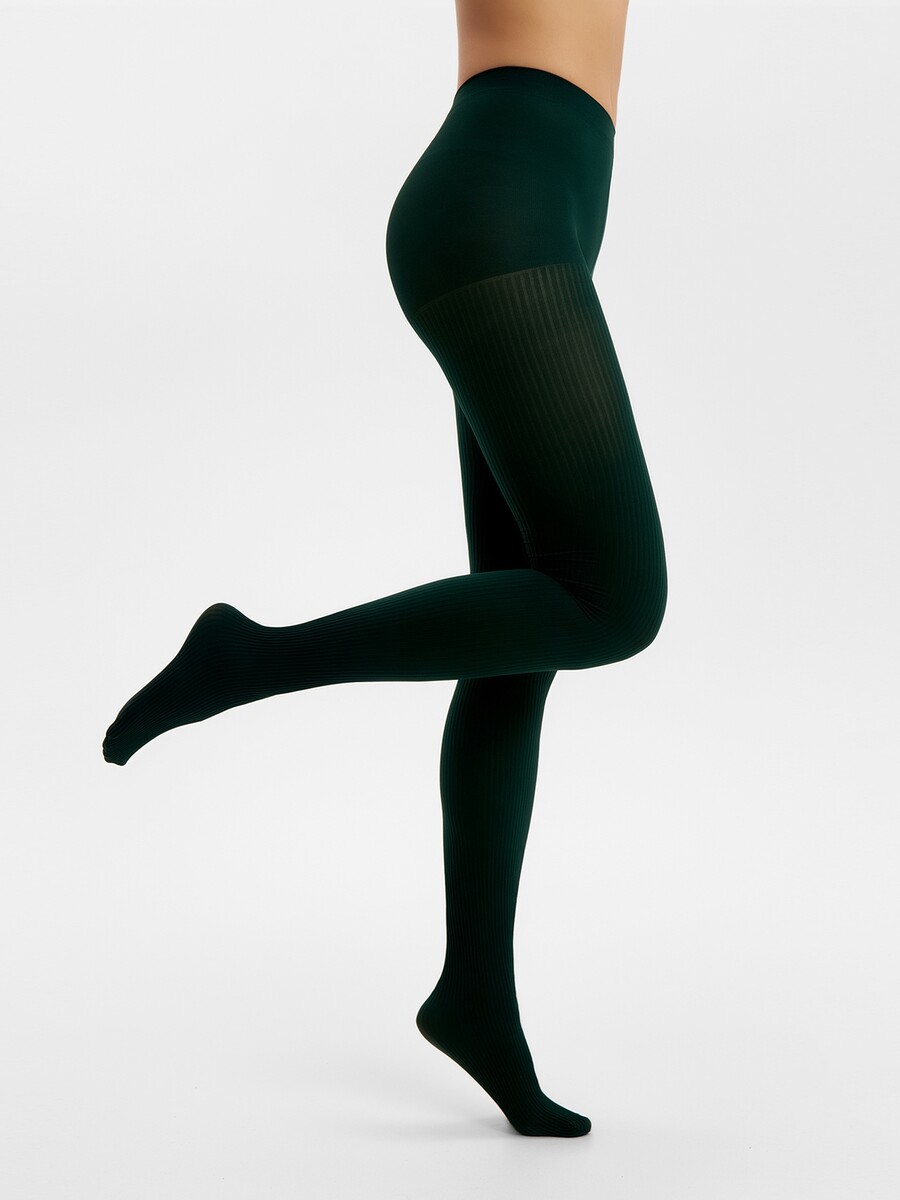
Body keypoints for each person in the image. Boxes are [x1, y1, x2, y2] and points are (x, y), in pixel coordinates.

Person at [103, 0, 666, 1138]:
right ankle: (250, 658)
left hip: (531, 211)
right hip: (502, 216)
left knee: (517, 649)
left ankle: (477, 997)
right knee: (613, 600)